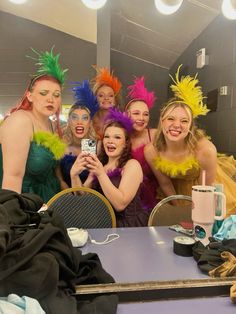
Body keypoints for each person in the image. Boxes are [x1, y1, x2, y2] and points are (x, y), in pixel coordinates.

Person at [144, 65, 236, 216]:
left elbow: (207, 190)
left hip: (206, 191)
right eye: (171, 119)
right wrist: (179, 209)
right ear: (162, 121)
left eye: (184, 121)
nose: (176, 125)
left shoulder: (205, 150)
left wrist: (193, 213)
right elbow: (165, 183)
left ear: (191, 126)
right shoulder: (151, 150)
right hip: (175, 193)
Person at [0, 47, 67, 202]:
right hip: (22, 203)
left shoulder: (50, 125)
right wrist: (15, 218)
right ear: (29, 96)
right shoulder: (20, 121)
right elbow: (12, 178)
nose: (51, 99)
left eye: (56, 95)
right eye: (44, 93)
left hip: (47, 201)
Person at [70, 108, 149, 227]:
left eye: (117, 137)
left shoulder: (132, 165)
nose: (110, 141)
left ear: (125, 144)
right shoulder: (101, 165)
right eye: (107, 137)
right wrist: (74, 176)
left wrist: (101, 174)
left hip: (127, 228)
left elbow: (120, 204)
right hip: (102, 226)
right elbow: (82, 198)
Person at [125, 76, 159, 212]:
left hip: (154, 194)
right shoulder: (121, 137)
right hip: (128, 195)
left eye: (145, 114)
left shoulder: (155, 135)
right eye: (136, 113)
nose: (141, 118)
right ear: (127, 115)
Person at [58, 79, 99, 189]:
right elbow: (59, 179)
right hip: (65, 197)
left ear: (90, 123)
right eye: (74, 117)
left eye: (84, 118)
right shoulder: (61, 147)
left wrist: (80, 199)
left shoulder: (96, 146)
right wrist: (71, 198)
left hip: (90, 197)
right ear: (69, 122)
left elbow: (92, 178)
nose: (79, 122)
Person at [91, 67, 122, 139]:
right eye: (101, 95)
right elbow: (87, 148)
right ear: (95, 99)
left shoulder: (121, 121)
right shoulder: (89, 120)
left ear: (115, 100)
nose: (106, 98)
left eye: (110, 95)